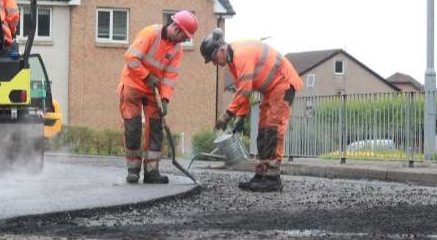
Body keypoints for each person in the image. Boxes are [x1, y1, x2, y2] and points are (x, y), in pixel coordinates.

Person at [200, 28, 303, 192]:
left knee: (273, 130)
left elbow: (245, 90)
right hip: (271, 90)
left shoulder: (241, 55)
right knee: (262, 131)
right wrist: (240, 116)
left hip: (283, 83)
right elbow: (242, 89)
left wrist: (227, 115)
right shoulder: (233, 62)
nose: (214, 63)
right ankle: (262, 174)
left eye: (213, 58)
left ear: (220, 49)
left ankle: (272, 178)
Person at [118, 10, 198, 184]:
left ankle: (151, 172)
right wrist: (146, 76)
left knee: (156, 128)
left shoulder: (177, 49)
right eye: (184, 37)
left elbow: (170, 76)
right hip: (133, 84)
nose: (183, 41)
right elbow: (130, 57)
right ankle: (133, 170)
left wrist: (165, 99)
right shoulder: (151, 33)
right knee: (133, 127)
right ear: (176, 28)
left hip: (152, 90)